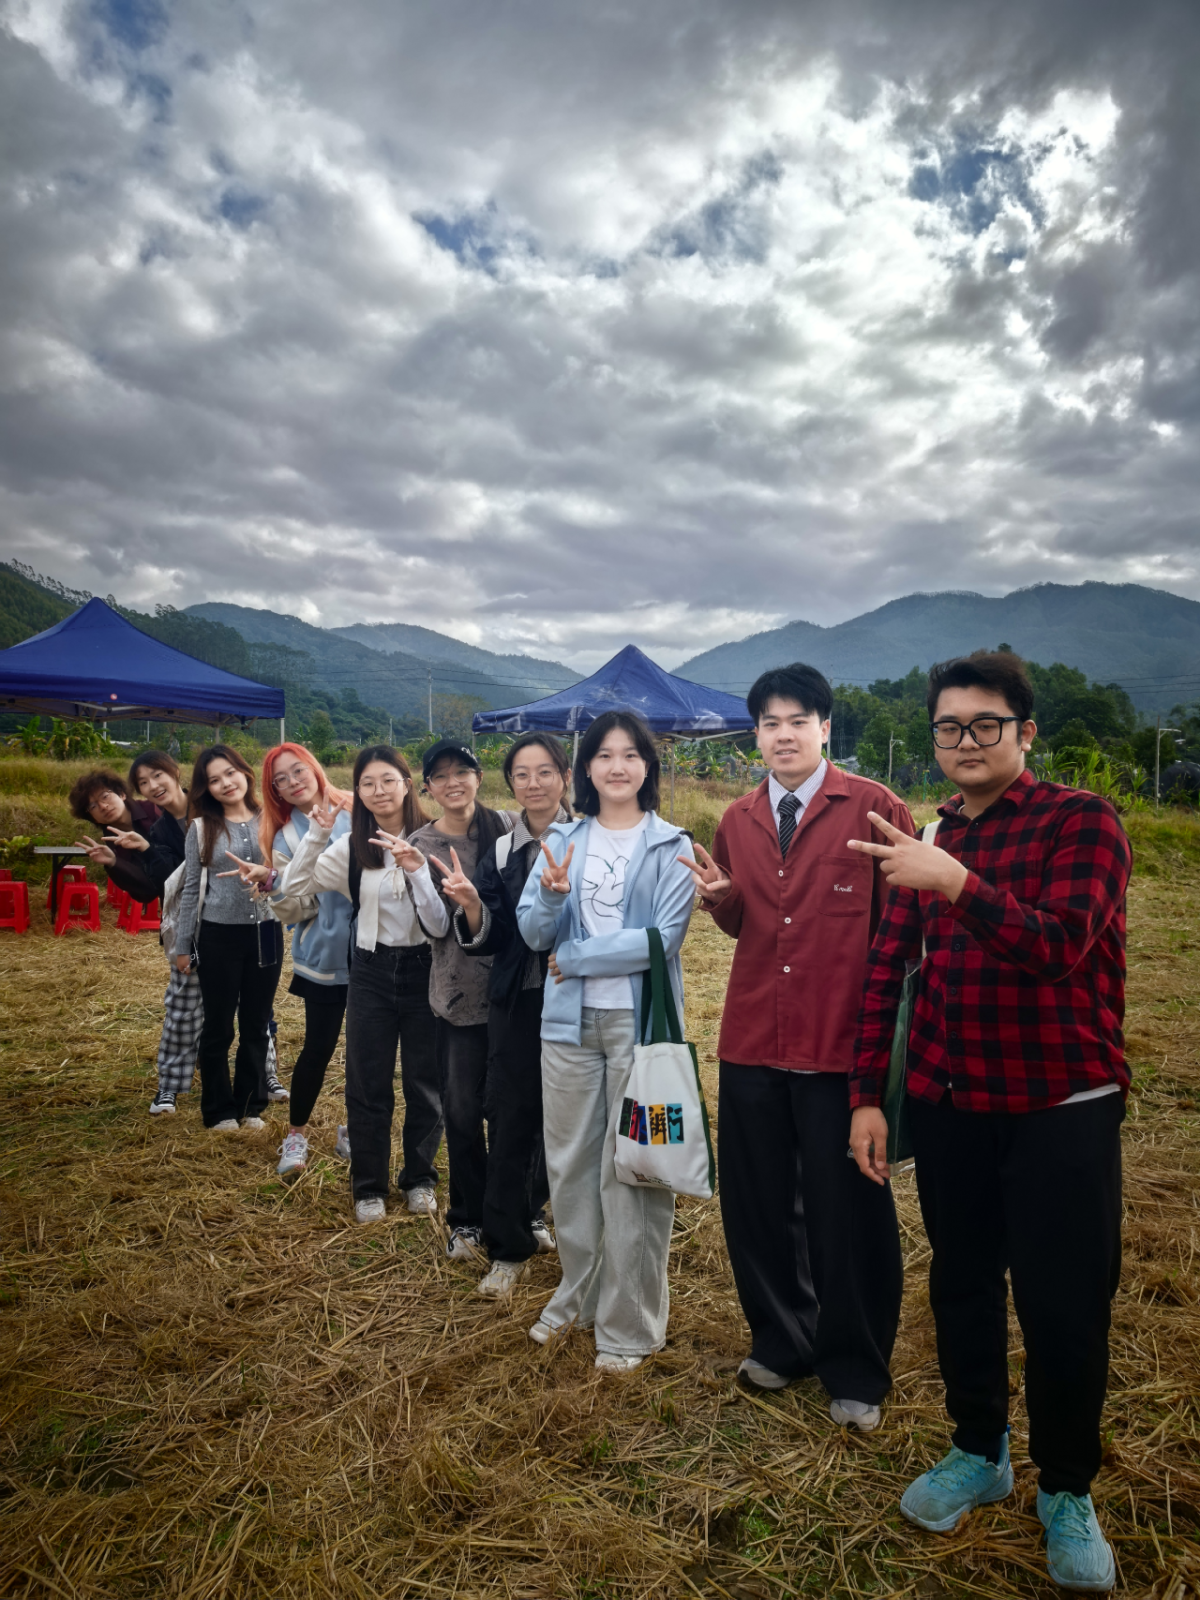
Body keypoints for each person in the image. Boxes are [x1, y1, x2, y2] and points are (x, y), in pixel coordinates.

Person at [848, 650, 1130, 1594]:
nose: (965, 741)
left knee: (1064, 1304)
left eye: (985, 725)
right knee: (963, 1284)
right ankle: (979, 1448)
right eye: (949, 727)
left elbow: (1060, 946)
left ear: (1025, 732)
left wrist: (956, 882)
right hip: (951, 1102)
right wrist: (866, 1096)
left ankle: (1067, 1489)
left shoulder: (1082, 821)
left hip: (1060, 1106)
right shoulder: (930, 835)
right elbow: (886, 973)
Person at [680, 662, 911, 1432]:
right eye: (769, 724)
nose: (783, 735)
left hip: (841, 1048)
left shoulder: (875, 809)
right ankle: (782, 1340)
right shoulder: (738, 818)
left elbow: (904, 932)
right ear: (756, 735)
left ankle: (856, 1365)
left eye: (797, 721)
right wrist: (722, 902)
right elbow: (742, 921)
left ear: (824, 728)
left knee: (849, 1211)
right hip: (752, 1037)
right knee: (758, 1202)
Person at [516, 710, 696, 1374]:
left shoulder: (672, 844)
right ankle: (580, 1295)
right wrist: (552, 898)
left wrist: (577, 957)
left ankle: (632, 1325)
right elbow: (533, 933)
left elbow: (662, 940)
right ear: (585, 769)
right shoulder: (563, 839)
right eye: (604, 755)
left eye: (630, 755)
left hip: (642, 1031)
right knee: (568, 1165)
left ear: (648, 767)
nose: (617, 766)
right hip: (567, 1027)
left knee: (638, 1169)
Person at [274, 745, 448, 1224]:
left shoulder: (434, 838)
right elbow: (294, 887)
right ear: (357, 791)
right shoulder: (354, 844)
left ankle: (419, 1178)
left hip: (426, 968)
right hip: (370, 970)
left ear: (408, 785)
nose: (378, 790)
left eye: (388, 780)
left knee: (425, 1082)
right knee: (367, 1082)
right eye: (367, 783)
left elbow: (444, 919)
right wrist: (318, 834)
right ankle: (368, 1185)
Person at [432, 732, 572, 1295]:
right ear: (510, 782)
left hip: (580, 994)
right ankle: (507, 1245)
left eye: (545, 772)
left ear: (565, 776)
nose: (533, 784)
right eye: (521, 774)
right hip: (519, 996)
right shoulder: (501, 850)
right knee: (512, 1114)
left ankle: (539, 1213)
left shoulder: (591, 839)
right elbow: (489, 936)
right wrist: (471, 905)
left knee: (567, 1118)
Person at [410, 741, 514, 1260]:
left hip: (514, 991)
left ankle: (521, 1210)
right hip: (458, 994)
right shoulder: (421, 844)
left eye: (462, 772)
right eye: (440, 776)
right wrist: (417, 872)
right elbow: (432, 926)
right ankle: (467, 1218)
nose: (453, 782)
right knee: (462, 1111)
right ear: (428, 787)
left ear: (479, 777)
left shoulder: (508, 828)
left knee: (516, 1112)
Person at [234, 744, 355, 1182]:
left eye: (297, 770)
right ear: (275, 792)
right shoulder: (282, 835)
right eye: (280, 780)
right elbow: (296, 909)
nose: (292, 782)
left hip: (375, 951)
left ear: (314, 768)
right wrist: (274, 883)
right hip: (324, 955)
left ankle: (357, 1129)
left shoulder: (356, 807)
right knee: (318, 1048)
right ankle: (296, 1135)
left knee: (366, 1052)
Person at [173, 745, 283, 1133]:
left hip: (266, 932)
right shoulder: (201, 828)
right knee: (218, 1025)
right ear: (206, 789)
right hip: (218, 935)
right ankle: (218, 1109)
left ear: (245, 772)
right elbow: (191, 888)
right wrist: (182, 946)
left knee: (257, 1022)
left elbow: (291, 872)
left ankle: (251, 1105)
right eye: (214, 780)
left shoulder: (274, 819)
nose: (225, 783)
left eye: (230, 773)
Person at [100, 750, 199, 1117]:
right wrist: (143, 850)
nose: (153, 785)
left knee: (250, 1005)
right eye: (143, 782)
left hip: (233, 920)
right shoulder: (158, 831)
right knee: (182, 1007)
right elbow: (166, 882)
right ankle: (170, 1085)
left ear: (175, 772)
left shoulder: (211, 807)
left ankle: (263, 1078)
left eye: (157, 775)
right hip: (188, 926)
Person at [69, 768, 160, 905]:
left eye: (105, 796)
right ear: (94, 819)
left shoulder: (156, 809)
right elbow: (146, 893)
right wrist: (114, 863)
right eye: (92, 806)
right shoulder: (112, 843)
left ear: (122, 794)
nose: (103, 806)